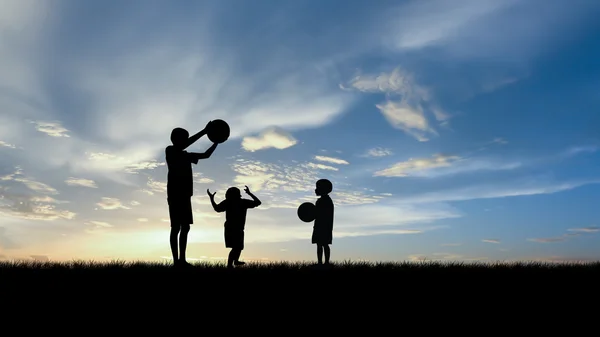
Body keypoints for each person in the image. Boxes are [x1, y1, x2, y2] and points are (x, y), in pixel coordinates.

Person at [166, 121, 218, 267]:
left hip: (185, 195)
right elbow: (183, 145)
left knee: (185, 227)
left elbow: (206, 155)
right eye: (184, 138)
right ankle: (176, 261)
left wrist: (217, 142)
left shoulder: (186, 155)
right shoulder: (170, 150)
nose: (185, 141)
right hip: (175, 194)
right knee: (176, 227)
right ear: (177, 139)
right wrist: (204, 131)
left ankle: (181, 260)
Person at [207, 185, 261, 268]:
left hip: (233, 227)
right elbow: (258, 202)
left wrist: (211, 199)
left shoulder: (230, 202)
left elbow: (217, 209)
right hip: (234, 227)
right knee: (237, 247)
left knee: (238, 247)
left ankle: (234, 261)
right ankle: (230, 265)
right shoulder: (240, 202)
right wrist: (249, 193)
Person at [312, 179, 334, 266]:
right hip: (320, 226)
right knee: (320, 244)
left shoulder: (325, 201)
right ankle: (321, 262)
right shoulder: (322, 201)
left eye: (318, 188)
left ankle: (325, 262)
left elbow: (321, 214)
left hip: (324, 226)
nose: (316, 190)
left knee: (323, 244)